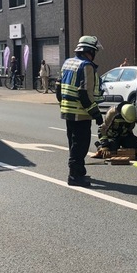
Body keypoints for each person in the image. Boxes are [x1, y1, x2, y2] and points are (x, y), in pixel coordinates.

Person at [57, 35, 104, 187]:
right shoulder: (86, 66)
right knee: (80, 145)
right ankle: (74, 176)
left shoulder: (67, 63)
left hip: (68, 112)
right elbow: (84, 93)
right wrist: (96, 113)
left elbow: (58, 89)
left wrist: (64, 104)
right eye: (94, 51)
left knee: (73, 143)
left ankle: (80, 171)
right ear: (89, 51)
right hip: (81, 113)